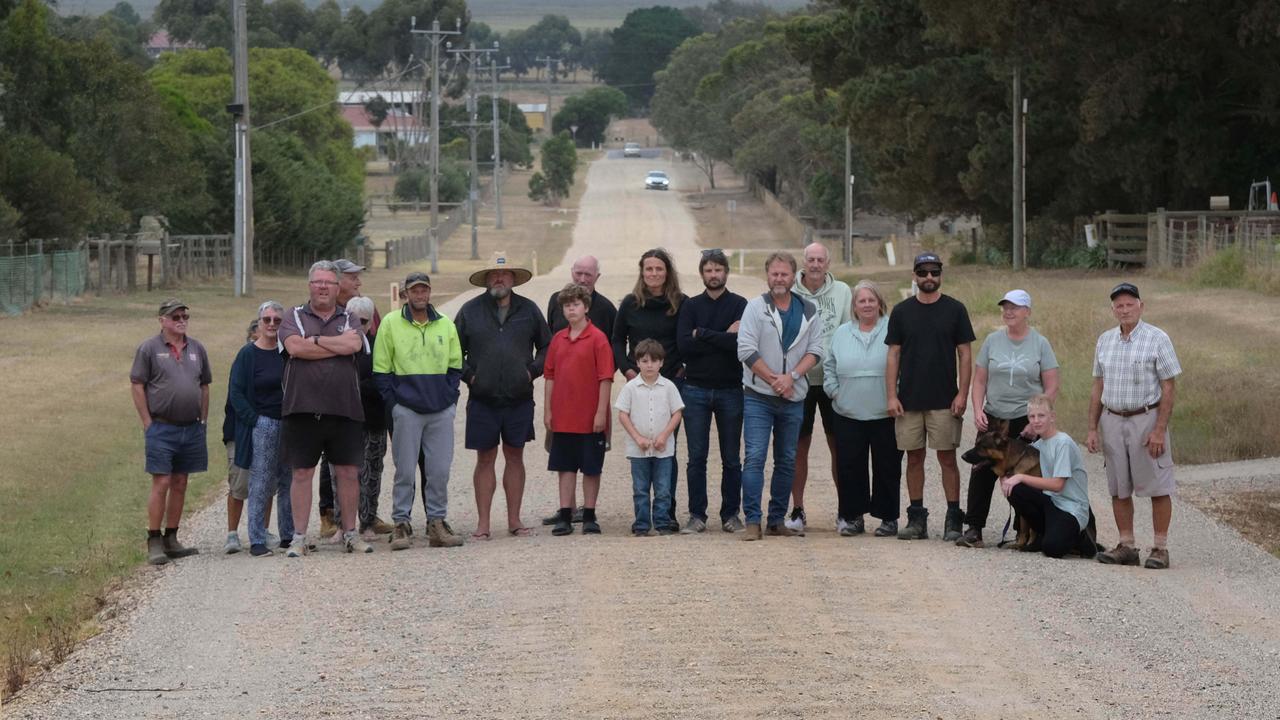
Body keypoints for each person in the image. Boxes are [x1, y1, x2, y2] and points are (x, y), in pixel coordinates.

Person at [278, 261, 373, 556]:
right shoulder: (292, 315)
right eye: (317, 282)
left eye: (328, 283)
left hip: (343, 408)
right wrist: (333, 344)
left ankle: (350, 534)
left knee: (348, 472)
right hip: (302, 408)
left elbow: (353, 346)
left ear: (337, 287)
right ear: (309, 286)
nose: (322, 287)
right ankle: (299, 537)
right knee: (302, 473)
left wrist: (315, 340)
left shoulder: (350, 317)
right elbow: (295, 348)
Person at [455, 253, 551, 539]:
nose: (499, 279)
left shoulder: (529, 309)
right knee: (484, 459)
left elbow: (547, 347)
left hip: (519, 397)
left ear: (513, 279)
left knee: (515, 456)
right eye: (494, 275)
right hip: (482, 398)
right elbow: (452, 351)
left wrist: (531, 372)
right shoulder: (469, 310)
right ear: (486, 280)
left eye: (505, 274)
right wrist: (471, 377)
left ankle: (514, 520)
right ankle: (483, 525)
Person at [1087, 282, 1181, 569]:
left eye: (1130, 304)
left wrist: (1159, 429)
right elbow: (1097, 386)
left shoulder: (1157, 338)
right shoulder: (1105, 340)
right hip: (1113, 418)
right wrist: (1092, 427)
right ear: (1113, 309)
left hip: (1146, 418)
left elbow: (1168, 387)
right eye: (1119, 305)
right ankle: (1127, 545)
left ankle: (1160, 548)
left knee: (1157, 484)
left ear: (1141, 306)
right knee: (1118, 487)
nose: (1124, 309)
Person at [957, 289, 1060, 548]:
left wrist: (1036, 420)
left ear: (1027, 311)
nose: (1009, 312)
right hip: (994, 417)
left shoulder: (1040, 343)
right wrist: (978, 409)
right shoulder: (992, 340)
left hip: (1024, 419)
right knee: (981, 469)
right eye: (1005, 307)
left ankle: (1023, 532)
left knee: (1023, 476)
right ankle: (974, 528)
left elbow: (1052, 386)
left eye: (1015, 307)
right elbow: (980, 380)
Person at [885, 252, 975, 541]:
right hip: (909, 400)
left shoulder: (955, 310)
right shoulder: (901, 312)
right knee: (914, 459)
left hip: (945, 400)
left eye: (934, 273)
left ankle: (953, 518)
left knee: (947, 459)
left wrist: (963, 393)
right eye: (922, 272)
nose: (928, 278)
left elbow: (965, 354)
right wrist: (891, 395)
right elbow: (893, 354)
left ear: (940, 276)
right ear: (914, 275)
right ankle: (916, 518)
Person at [373, 271, 465, 551]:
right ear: (406, 294)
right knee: (404, 469)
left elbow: (455, 367)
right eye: (414, 290)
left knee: (439, 470)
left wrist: (449, 400)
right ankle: (401, 523)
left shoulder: (445, 325)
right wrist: (396, 405)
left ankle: (437, 522)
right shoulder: (390, 324)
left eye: (424, 290)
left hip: (440, 410)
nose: (420, 295)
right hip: (407, 410)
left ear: (430, 293)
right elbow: (381, 370)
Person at [736, 251, 825, 541]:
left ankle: (777, 519)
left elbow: (816, 351)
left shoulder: (809, 311)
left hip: (794, 397)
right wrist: (774, 379)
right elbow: (746, 349)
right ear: (767, 275)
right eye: (774, 274)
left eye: (784, 274)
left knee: (787, 459)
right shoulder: (755, 307)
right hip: (758, 395)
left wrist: (792, 378)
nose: (779, 279)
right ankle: (752, 519)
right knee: (755, 458)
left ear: (793, 277)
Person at [130, 299, 211, 565]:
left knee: (180, 482)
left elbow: (204, 385)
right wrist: (147, 422)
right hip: (161, 427)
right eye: (175, 315)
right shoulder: (149, 349)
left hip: (190, 427)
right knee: (161, 482)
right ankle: (154, 539)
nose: (181, 319)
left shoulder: (197, 348)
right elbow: (137, 384)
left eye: (184, 315)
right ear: (162, 320)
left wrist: (203, 420)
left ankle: (171, 537)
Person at [613, 248, 687, 530]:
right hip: (639, 382)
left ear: (667, 272)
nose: (654, 273)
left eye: (659, 269)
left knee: (667, 447)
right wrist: (628, 370)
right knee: (642, 446)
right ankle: (643, 515)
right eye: (649, 269)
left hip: (671, 383)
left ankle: (667, 514)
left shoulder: (680, 303)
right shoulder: (630, 304)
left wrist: (681, 369)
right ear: (642, 272)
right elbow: (618, 340)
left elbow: (687, 340)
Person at [542, 255, 619, 526]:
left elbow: (606, 377)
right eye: (567, 306)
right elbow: (549, 376)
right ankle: (565, 513)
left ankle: (588, 514)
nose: (571, 310)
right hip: (563, 415)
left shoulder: (598, 339)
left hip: (590, 416)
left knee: (590, 466)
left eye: (576, 305)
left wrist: (601, 413)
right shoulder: (557, 340)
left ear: (586, 307)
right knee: (564, 465)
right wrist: (548, 410)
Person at [675, 248, 747, 533]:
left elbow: (740, 346)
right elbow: (684, 346)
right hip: (696, 390)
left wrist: (702, 333)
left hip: (731, 389)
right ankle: (697, 515)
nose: (713, 275)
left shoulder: (741, 304)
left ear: (726, 273)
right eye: (708, 270)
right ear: (701, 273)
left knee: (731, 457)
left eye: (718, 270)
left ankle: (731, 514)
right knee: (697, 457)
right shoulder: (691, 306)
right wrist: (722, 336)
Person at [824, 280, 901, 537]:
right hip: (848, 411)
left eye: (871, 300)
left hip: (884, 411)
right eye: (861, 301)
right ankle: (853, 517)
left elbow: (904, 363)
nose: (867, 305)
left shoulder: (893, 328)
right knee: (850, 466)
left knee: (887, 466)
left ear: (880, 303)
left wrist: (897, 394)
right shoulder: (842, 332)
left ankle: (888, 518)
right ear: (854, 306)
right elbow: (829, 365)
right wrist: (835, 391)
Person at [786, 242, 852, 532]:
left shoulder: (843, 292)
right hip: (798, 379)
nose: (815, 264)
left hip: (831, 379)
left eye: (820, 260)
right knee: (798, 446)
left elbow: (850, 330)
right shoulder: (790, 291)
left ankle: (844, 510)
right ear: (803, 262)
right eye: (810, 259)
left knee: (839, 446)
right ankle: (797, 509)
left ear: (828, 263)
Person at [228, 301, 295, 557]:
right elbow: (236, 391)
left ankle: (288, 535)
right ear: (259, 323)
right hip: (263, 422)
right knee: (261, 481)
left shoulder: (287, 352)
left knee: (288, 481)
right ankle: (257, 539)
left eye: (277, 321)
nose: (271, 325)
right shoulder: (248, 354)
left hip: (289, 422)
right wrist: (253, 419)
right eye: (267, 320)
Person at [316, 258, 377, 537]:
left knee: (364, 463)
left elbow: (373, 343)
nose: (358, 283)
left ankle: (365, 515)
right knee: (330, 462)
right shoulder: (326, 312)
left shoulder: (364, 307)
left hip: (367, 405)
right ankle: (329, 515)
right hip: (332, 403)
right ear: (339, 281)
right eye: (353, 278)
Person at [1000, 394, 1094, 559]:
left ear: (1052, 417)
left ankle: (1081, 538)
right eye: (1032, 416)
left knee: (1052, 549)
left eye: (1041, 415)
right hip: (1050, 503)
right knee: (1014, 489)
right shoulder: (1037, 446)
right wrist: (1006, 477)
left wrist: (1020, 477)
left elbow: (1058, 485)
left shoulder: (1063, 443)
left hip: (1071, 508)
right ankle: (1044, 533)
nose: (1036, 421)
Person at [616, 339, 685, 536]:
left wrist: (664, 436)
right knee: (640, 488)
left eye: (654, 361)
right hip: (639, 450)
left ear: (661, 363)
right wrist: (637, 438)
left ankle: (662, 522)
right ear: (637, 362)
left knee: (663, 489)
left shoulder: (669, 386)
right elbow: (623, 414)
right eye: (645, 361)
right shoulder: (630, 388)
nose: (649, 365)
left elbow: (677, 413)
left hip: (663, 449)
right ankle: (642, 524)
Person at [345, 296, 394, 538]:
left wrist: (353, 384)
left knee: (371, 471)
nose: (357, 325)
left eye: (362, 320)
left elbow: (382, 381)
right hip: (344, 419)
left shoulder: (378, 345)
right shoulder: (339, 345)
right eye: (351, 319)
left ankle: (367, 521)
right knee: (342, 473)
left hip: (373, 418)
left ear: (370, 322)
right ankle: (344, 524)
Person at [221, 319, 259, 554]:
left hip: (264, 427)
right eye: (255, 338)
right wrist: (253, 420)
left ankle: (261, 530)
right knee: (239, 483)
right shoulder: (243, 358)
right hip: (239, 430)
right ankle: (232, 534)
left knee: (264, 483)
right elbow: (235, 394)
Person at [547, 255, 618, 335]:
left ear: (597, 276)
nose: (582, 280)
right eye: (578, 273)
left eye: (588, 275)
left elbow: (617, 341)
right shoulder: (556, 300)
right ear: (572, 272)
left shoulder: (607, 309)